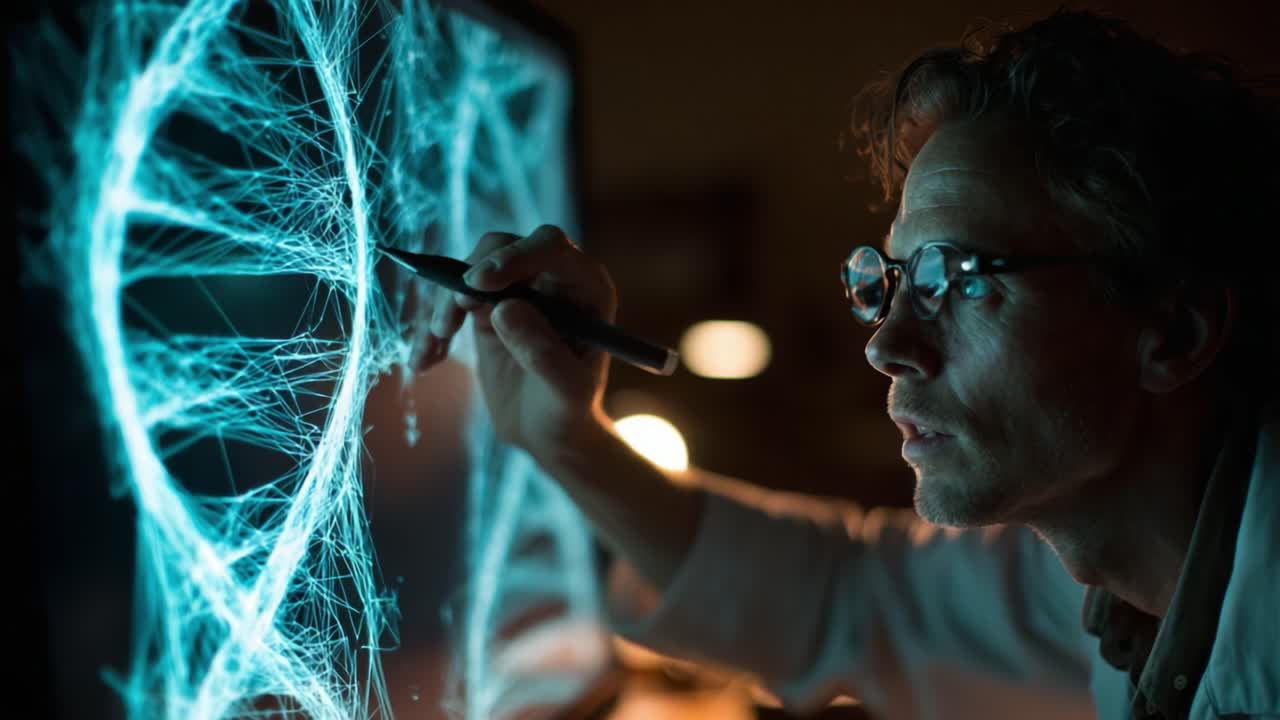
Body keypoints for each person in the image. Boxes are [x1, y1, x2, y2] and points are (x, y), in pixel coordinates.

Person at [420, 9, 1279, 720]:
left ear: (1174, 330)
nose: (885, 344)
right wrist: (566, 440)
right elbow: (855, 598)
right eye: (893, 280)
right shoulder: (1111, 581)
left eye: (963, 277)